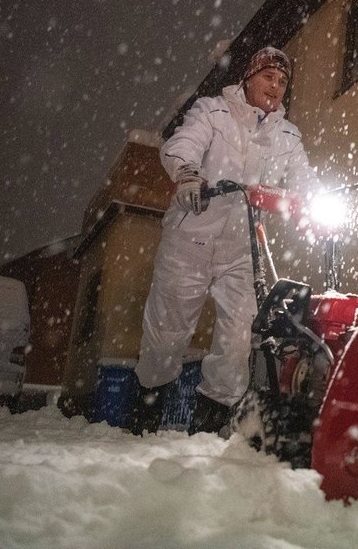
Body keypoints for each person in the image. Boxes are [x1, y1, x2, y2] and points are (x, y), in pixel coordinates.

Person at [128, 47, 318, 436]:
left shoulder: (287, 135)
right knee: (166, 335)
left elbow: (304, 179)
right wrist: (187, 174)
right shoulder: (212, 111)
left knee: (237, 343)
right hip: (190, 238)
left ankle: (207, 430)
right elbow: (182, 145)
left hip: (241, 249)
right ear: (249, 78)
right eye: (269, 77)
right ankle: (145, 420)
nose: (276, 87)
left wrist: (313, 206)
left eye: (283, 82)